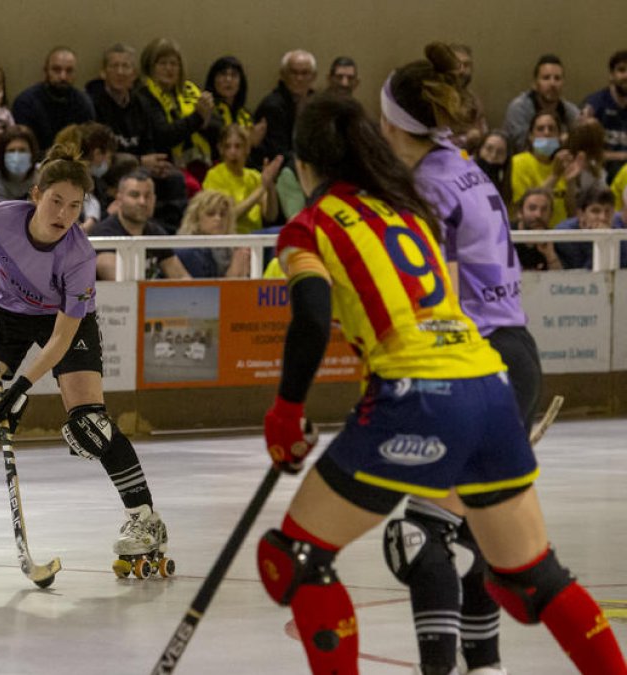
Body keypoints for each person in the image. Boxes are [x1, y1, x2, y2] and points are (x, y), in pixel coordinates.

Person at [255, 91, 626, 675]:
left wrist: (286, 411)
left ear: (304, 167)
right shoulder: (409, 210)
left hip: (417, 397)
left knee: (297, 558)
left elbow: (309, 313)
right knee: (532, 577)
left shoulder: (309, 226)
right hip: (490, 385)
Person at [0, 143, 171, 575]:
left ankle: (145, 521)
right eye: (55, 201)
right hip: (4, 316)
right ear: (35, 195)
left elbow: (63, 336)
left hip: (64, 325)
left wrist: (20, 388)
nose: (63, 214)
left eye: (74, 206)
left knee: (90, 424)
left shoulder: (79, 256)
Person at [378, 43, 545, 675]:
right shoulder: (459, 163)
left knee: (417, 536)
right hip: (516, 351)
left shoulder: (425, 185)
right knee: (480, 535)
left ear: (395, 122)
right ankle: (488, 668)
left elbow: (438, 297)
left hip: (476, 357)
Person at [137, 38, 221, 177]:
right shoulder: (144, 95)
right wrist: (198, 118)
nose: (169, 68)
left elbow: (218, 126)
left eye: (174, 64)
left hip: (202, 160)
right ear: (150, 67)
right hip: (168, 166)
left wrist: (204, 120)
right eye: (162, 63)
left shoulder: (189, 90)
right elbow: (163, 135)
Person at [90, 170, 191, 280]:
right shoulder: (104, 234)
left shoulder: (155, 232)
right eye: (135, 195)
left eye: (148, 196)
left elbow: (181, 277)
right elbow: (122, 285)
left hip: (149, 295)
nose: (142, 202)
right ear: (119, 199)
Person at [11, 46, 95, 150]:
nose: (63, 77)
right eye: (56, 70)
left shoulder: (83, 103)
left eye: (69, 71)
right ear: (46, 71)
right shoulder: (26, 103)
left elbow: (88, 144)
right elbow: (24, 146)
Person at [202, 125, 281, 234]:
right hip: (229, 238)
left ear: (247, 149)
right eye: (227, 147)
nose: (233, 152)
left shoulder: (255, 176)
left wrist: (270, 185)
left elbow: (271, 216)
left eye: (238, 146)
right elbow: (228, 217)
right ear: (221, 150)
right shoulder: (214, 176)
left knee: (280, 232)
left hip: (254, 238)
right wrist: (261, 188)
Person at [510, 110, 579, 227]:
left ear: (559, 137)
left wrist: (571, 182)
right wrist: (555, 176)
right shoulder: (518, 162)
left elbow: (571, 213)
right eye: (540, 129)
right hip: (531, 232)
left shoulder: (564, 162)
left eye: (552, 129)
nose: (546, 133)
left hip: (560, 233)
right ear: (531, 137)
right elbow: (522, 208)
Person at [503, 54, 582, 153]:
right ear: (535, 84)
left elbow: (582, 145)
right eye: (546, 78)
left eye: (557, 78)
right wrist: (561, 141)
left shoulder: (570, 110)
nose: (552, 84)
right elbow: (524, 147)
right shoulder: (519, 108)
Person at [251, 49, 316, 168]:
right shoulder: (272, 106)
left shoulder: (318, 103)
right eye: (293, 73)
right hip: (279, 170)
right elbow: (278, 154)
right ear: (283, 75)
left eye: (305, 73)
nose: (299, 78)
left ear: (313, 76)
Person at [173, 189, 249, 278]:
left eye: (222, 214)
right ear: (196, 218)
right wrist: (233, 273)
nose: (218, 219)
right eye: (211, 214)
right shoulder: (188, 251)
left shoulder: (236, 248)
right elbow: (204, 290)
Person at [554, 185, 627, 270]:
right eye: (596, 211)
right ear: (581, 214)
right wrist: (599, 240)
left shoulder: (620, 231)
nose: (603, 217)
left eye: (608, 211)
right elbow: (585, 276)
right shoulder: (565, 234)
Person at [582, 50, 627, 178]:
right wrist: (622, 156)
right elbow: (584, 153)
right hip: (601, 172)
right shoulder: (594, 105)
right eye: (621, 70)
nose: (626, 75)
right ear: (611, 75)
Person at [205, 56, 260, 148]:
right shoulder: (207, 111)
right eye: (223, 74)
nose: (228, 80)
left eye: (234, 75)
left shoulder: (246, 116)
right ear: (213, 80)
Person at [0, 124, 39, 203]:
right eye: (11, 151)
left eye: (22, 150)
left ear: (32, 153)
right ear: (2, 155)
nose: (17, 156)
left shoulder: (43, 174)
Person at [513, 189, 563, 271]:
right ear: (520, 212)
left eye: (544, 209)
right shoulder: (505, 236)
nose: (538, 215)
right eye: (532, 208)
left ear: (551, 214)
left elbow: (561, 281)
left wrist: (550, 256)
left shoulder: (556, 239)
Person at [474, 130, 512, 204]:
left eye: (500, 152)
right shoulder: (464, 163)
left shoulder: (506, 186)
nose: (493, 156)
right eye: (489, 149)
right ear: (480, 149)